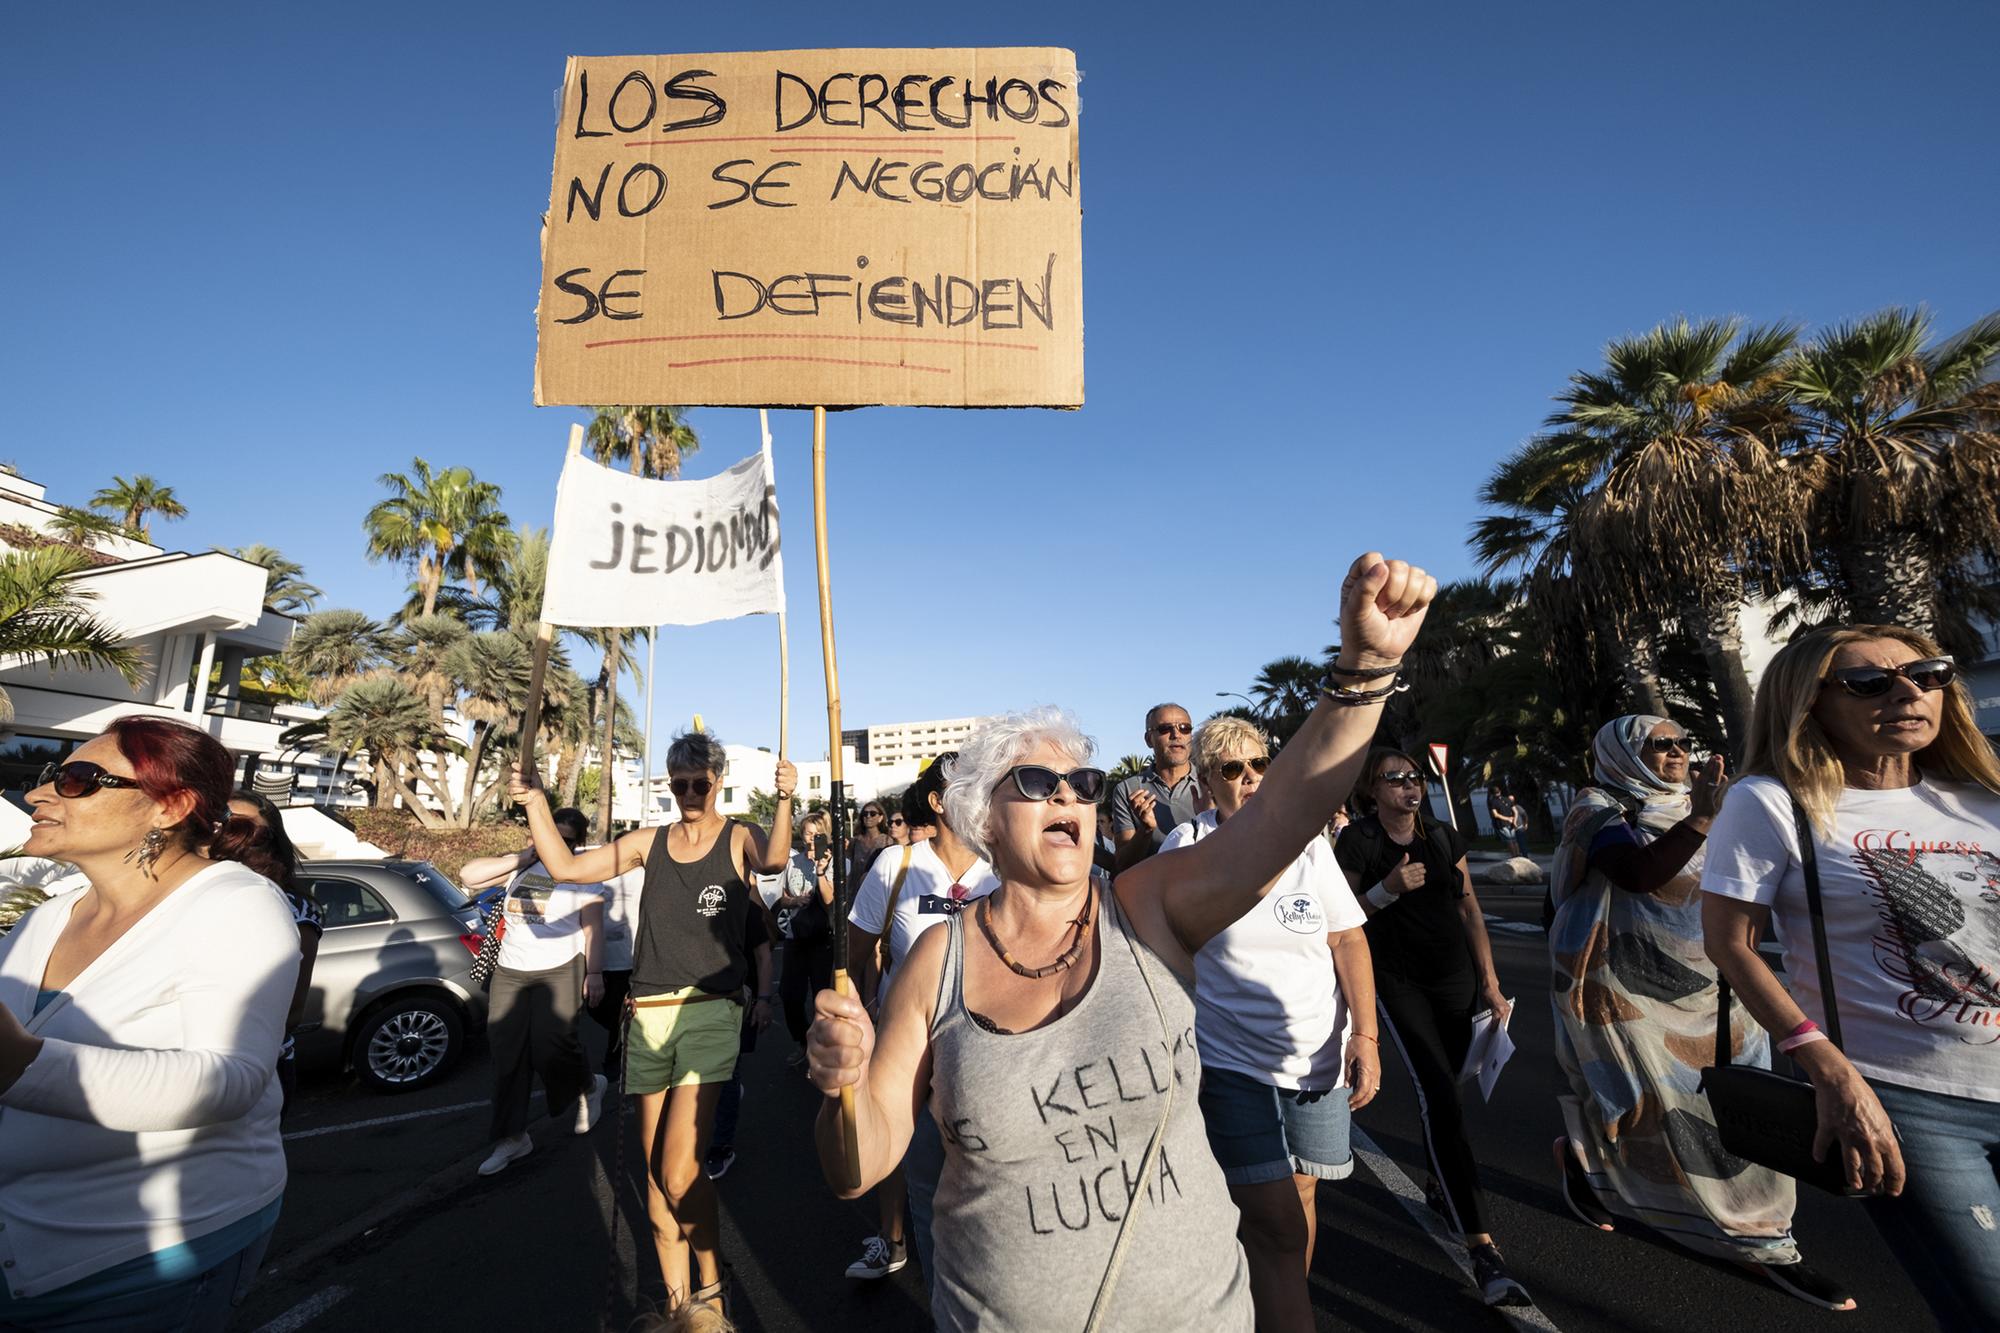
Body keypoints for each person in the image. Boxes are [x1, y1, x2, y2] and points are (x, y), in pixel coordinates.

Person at [808, 552, 1436, 1331]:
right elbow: (857, 1167)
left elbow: (1284, 811)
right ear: (981, 819)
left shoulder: (1147, 906)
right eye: (1037, 783)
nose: (1068, 793)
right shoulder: (939, 961)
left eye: (1083, 781)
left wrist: (1364, 668)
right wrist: (843, 1083)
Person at [1702, 625, 2000, 1329]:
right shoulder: (1771, 802)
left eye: (1927, 674)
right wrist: (1831, 1072)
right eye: (1870, 683)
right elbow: (1731, 944)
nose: (1909, 691)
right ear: (1811, 704)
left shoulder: (1983, 795)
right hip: (1910, 1101)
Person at [0, 717, 300, 1330]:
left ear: (170, 806)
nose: (39, 794)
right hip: (25, 1240)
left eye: (77, 780)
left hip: (143, 1260)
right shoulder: (45, 918)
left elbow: (230, 1079)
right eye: (50, 777)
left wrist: (18, 1062)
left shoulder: (236, 905)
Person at [1549, 716, 1849, 1309]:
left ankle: (1764, 1230)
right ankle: (1595, 1170)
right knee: (1646, 1107)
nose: (1679, 754)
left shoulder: (1712, 804)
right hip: (1622, 989)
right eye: (1661, 745)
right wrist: (1704, 817)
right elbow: (1638, 875)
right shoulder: (1598, 808)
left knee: (1739, 1104)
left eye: (1684, 743)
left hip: (1719, 982)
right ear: (1623, 755)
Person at [510, 731, 794, 1317]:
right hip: (647, 1016)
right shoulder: (650, 841)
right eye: (679, 782)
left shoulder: (739, 836)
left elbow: (775, 860)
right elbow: (565, 867)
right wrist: (537, 803)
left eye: (699, 782)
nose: (689, 792)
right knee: (656, 1182)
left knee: (678, 1167)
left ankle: (711, 1286)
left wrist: (786, 799)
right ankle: (676, 1304)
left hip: (710, 1013)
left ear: (717, 781)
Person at [1159, 716, 1380, 1329]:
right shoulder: (1184, 849)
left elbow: (1347, 939)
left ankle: (1285, 1301)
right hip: (1230, 1063)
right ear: (1206, 783)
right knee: (1265, 1210)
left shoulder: (1308, 844)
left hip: (1318, 1059)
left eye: (1261, 765)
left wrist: (1365, 1035)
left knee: (1304, 1193)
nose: (1251, 778)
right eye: (1233, 769)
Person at [1336, 747, 1530, 1306]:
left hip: (1456, 983)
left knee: (1451, 1091)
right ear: (1373, 792)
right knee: (1439, 1098)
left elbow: (1470, 910)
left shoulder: (1443, 838)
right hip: (1399, 986)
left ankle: (1439, 1186)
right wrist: (1385, 889)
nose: (1408, 786)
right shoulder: (1360, 843)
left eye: (1413, 778)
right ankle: (1483, 1251)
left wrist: (1490, 985)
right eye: (1393, 779)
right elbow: (1342, 918)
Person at [841, 758, 999, 1286]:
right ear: (937, 801)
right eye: (967, 783)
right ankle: (899, 1248)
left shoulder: (1003, 864)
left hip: (987, 1052)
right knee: (918, 1177)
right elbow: (853, 951)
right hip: (911, 1050)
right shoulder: (897, 865)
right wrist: (863, 1010)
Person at [475, 804, 608, 1177]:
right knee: (506, 1056)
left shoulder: (584, 877)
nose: (553, 845)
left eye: (565, 840)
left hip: (561, 969)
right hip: (511, 971)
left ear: (576, 845)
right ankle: (512, 1138)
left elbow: (593, 929)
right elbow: (469, 875)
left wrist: (594, 974)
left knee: (554, 1047)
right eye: (546, 835)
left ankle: (588, 1085)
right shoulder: (518, 868)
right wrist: (524, 855)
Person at [225, 788, 322, 1115]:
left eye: (248, 828)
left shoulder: (292, 909)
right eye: (223, 822)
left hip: (257, 1066)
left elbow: (291, 1013)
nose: (233, 834)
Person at [704, 905, 776, 1180]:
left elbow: (764, 957)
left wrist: (764, 999)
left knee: (727, 1074)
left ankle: (721, 1146)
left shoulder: (747, 910)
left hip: (737, 1001)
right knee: (710, 1077)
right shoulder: (692, 900)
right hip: (697, 1003)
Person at [773, 812, 836, 1065]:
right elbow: (782, 897)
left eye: (816, 833)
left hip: (823, 937)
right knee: (789, 994)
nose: (810, 838)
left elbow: (831, 900)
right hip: (795, 935)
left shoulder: (835, 861)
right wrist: (795, 900)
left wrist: (821, 872)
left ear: (825, 835)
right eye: (807, 833)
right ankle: (802, 1041)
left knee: (822, 995)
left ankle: (823, 1048)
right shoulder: (792, 861)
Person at [1108, 702, 1201, 871]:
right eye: (1165, 728)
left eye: (1184, 728)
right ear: (1149, 739)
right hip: (1152, 894)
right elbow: (1123, 864)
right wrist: (1145, 830)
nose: (1176, 734)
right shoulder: (1128, 789)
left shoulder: (1211, 782)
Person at [848, 800, 894, 881]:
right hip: (855, 889)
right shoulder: (855, 841)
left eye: (873, 814)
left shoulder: (887, 841)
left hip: (876, 886)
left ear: (880, 818)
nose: (868, 816)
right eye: (865, 814)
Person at [1489, 786, 1523, 856]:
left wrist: (1507, 819)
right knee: (1514, 840)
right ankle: (1518, 854)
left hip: (1502, 824)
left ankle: (1514, 855)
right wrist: (1514, 820)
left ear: (1492, 794)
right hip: (1511, 823)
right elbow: (1515, 811)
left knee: (1509, 840)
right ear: (1500, 791)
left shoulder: (1493, 802)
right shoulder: (1508, 799)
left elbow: (1495, 815)